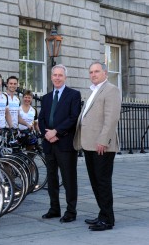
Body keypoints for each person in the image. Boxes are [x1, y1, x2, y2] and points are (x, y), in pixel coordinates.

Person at [73, 62, 121, 231]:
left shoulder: (111, 90)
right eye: (91, 72)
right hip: (90, 144)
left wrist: (103, 140)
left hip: (102, 145)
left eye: (96, 71)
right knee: (95, 182)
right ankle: (103, 214)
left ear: (105, 73)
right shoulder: (92, 91)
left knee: (102, 182)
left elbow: (111, 118)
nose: (93, 74)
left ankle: (107, 219)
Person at [38, 64, 81, 223]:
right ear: (51, 77)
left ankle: (71, 211)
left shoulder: (73, 95)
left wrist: (56, 132)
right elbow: (41, 119)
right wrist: (47, 134)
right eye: (54, 75)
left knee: (68, 178)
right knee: (51, 178)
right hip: (49, 144)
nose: (57, 77)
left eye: (60, 75)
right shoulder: (46, 97)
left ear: (65, 77)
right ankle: (54, 208)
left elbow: (73, 117)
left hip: (65, 144)